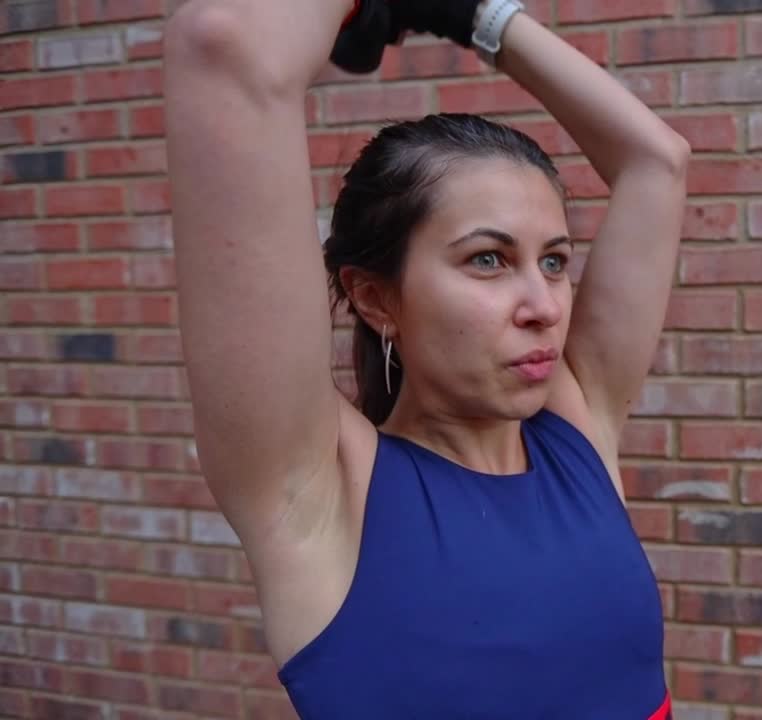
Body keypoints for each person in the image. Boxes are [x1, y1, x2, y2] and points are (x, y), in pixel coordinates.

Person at [162, 0, 690, 716]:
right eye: (487, 260)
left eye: (556, 261)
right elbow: (223, 41)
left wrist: (475, 16)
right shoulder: (318, 492)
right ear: (376, 299)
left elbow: (656, 161)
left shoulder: (578, 430)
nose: (545, 304)